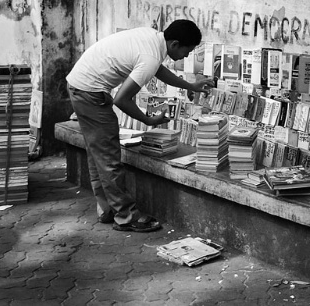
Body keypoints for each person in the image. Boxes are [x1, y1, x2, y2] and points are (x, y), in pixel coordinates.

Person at [66, 19, 214, 232]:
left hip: (82, 86)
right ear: (174, 44)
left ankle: (107, 209)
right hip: (90, 93)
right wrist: (148, 120)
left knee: (98, 153)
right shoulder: (151, 56)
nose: (186, 56)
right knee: (109, 158)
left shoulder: (152, 38)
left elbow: (158, 70)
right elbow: (121, 100)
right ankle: (126, 217)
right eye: (187, 51)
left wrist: (190, 85)